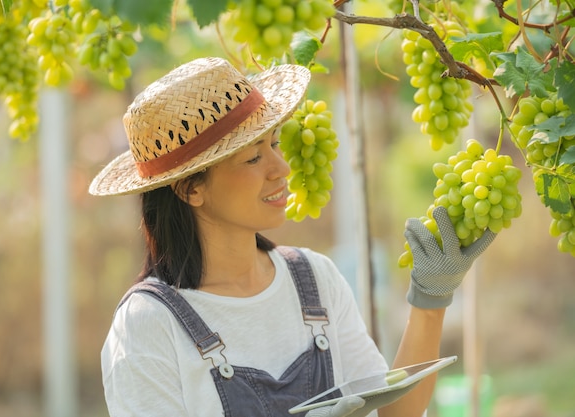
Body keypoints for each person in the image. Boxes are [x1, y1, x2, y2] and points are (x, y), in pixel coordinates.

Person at [89, 57, 496, 417]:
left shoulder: (315, 280)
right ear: (190, 189)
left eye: (275, 144)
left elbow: (394, 413)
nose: (282, 168)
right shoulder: (147, 326)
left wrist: (429, 301)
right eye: (253, 157)